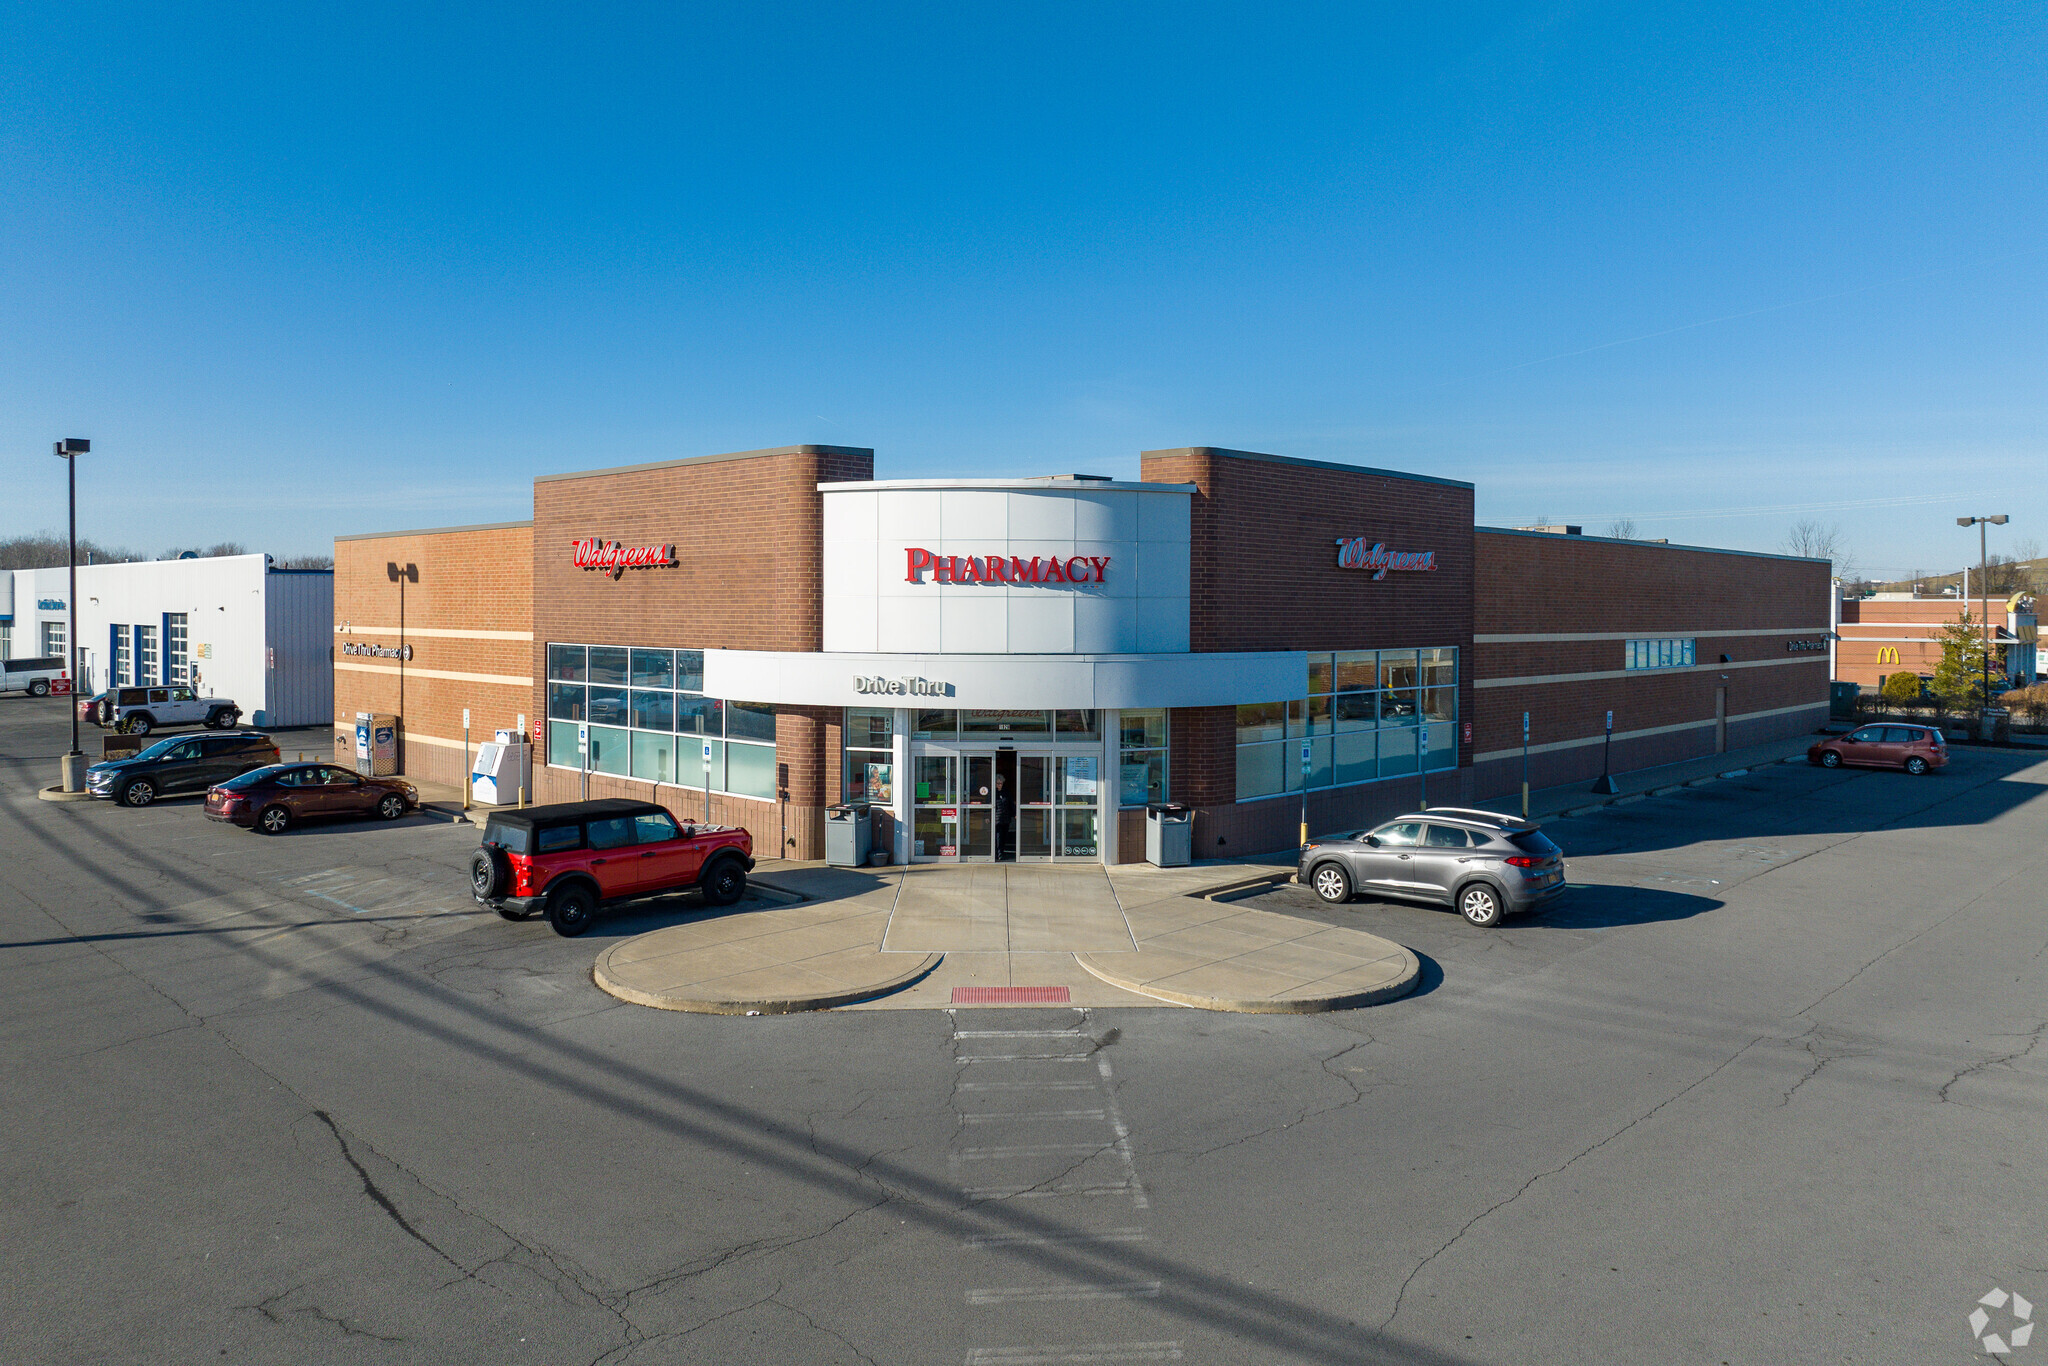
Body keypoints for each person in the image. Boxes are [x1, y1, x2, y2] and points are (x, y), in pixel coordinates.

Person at [992, 772, 1014, 861]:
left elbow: (1011, 804)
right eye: (998, 783)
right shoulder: (993, 793)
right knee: (998, 836)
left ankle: (1002, 852)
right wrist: (987, 817)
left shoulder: (1006, 792)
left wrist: (1014, 814)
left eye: (1001, 783)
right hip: (997, 819)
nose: (999, 785)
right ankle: (998, 853)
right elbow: (988, 805)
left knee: (1004, 836)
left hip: (1006, 818)